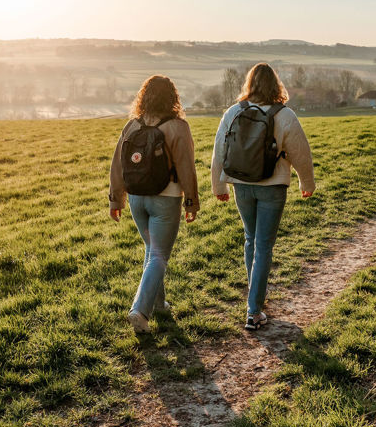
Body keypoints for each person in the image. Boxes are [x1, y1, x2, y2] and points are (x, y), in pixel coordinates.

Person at [211, 63, 315, 330]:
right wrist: (307, 182)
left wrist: (218, 185)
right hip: (272, 186)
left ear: (249, 83)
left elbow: (220, 152)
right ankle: (254, 310)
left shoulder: (234, 112)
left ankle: (254, 297)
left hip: (240, 185)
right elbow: (300, 152)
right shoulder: (285, 115)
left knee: (250, 239)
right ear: (275, 85)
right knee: (263, 246)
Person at [109, 75, 200, 333]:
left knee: (151, 251)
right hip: (166, 198)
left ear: (144, 96)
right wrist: (191, 201)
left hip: (137, 198)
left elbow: (117, 165)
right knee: (159, 255)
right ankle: (140, 310)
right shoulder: (178, 127)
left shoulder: (131, 126)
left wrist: (116, 199)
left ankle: (158, 304)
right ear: (172, 98)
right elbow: (186, 168)